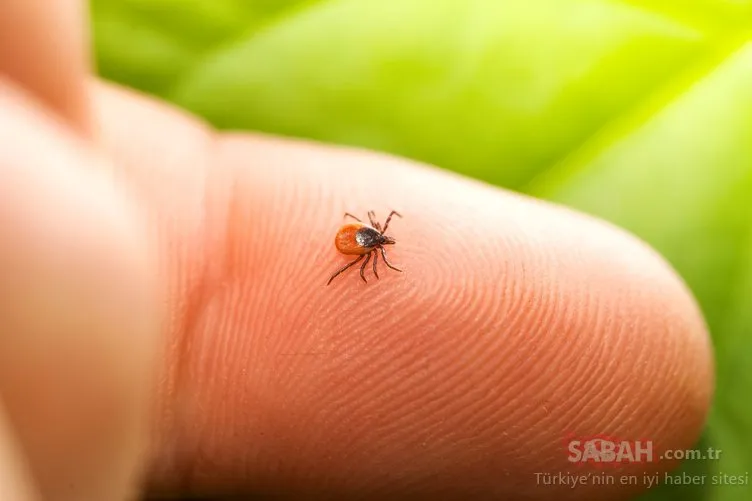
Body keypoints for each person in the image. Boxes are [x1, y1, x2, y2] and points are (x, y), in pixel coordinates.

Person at [0, 1, 712, 499]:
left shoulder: (361, 238)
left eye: (379, 241)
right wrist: (369, 251)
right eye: (379, 240)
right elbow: (359, 245)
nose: (379, 243)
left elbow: (355, 239)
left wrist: (363, 243)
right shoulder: (366, 245)